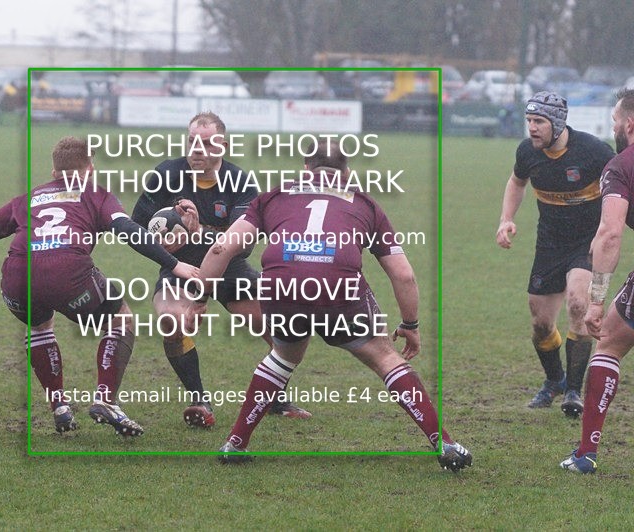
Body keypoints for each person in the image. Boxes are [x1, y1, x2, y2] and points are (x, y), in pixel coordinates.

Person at [194, 137, 472, 471]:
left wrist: (199, 298)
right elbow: (404, 275)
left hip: (281, 288)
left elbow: (221, 249)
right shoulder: (366, 204)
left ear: (306, 168)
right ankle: (445, 444)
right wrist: (410, 325)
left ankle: (235, 443)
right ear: (346, 172)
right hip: (337, 290)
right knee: (385, 357)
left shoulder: (273, 196)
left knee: (283, 354)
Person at [0, 136, 197, 436]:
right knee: (121, 319)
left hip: (16, 277)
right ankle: (105, 399)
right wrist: (175, 263)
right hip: (67, 272)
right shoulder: (96, 194)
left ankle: (60, 407)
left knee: (39, 327)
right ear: (91, 168)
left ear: (53, 172)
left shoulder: (28, 198)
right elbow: (127, 229)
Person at [131, 111, 311, 427]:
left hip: (230, 268)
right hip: (182, 269)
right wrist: (164, 249)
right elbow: (136, 229)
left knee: (283, 330)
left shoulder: (239, 182)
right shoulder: (166, 175)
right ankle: (199, 401)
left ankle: (276, 398)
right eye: (191, 142)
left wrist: (197, 231)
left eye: (206, 143)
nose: (196, 149)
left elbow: (242, 242)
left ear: (223, 145)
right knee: (173, 324)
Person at [496, 91, 615, 416]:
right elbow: (516, 182)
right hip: (549, 245)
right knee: (540, 323)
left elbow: (618, 187)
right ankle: (555, 381)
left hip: (586, 244)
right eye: (529, 121)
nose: (532, 128)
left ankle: (574, 391)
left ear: (557, 122)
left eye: (539, 122)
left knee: (579, 303)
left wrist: (608, 230)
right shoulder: (528, 152)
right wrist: (506, 219)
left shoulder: (592, 151)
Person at [560, 88, 634, 474]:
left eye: (615, 123)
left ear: (629, 124)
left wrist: (597, 299)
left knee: (605, 344)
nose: (615, 130)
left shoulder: (621, 165)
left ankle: (587, 454)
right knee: (612, 338)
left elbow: (609, 234)